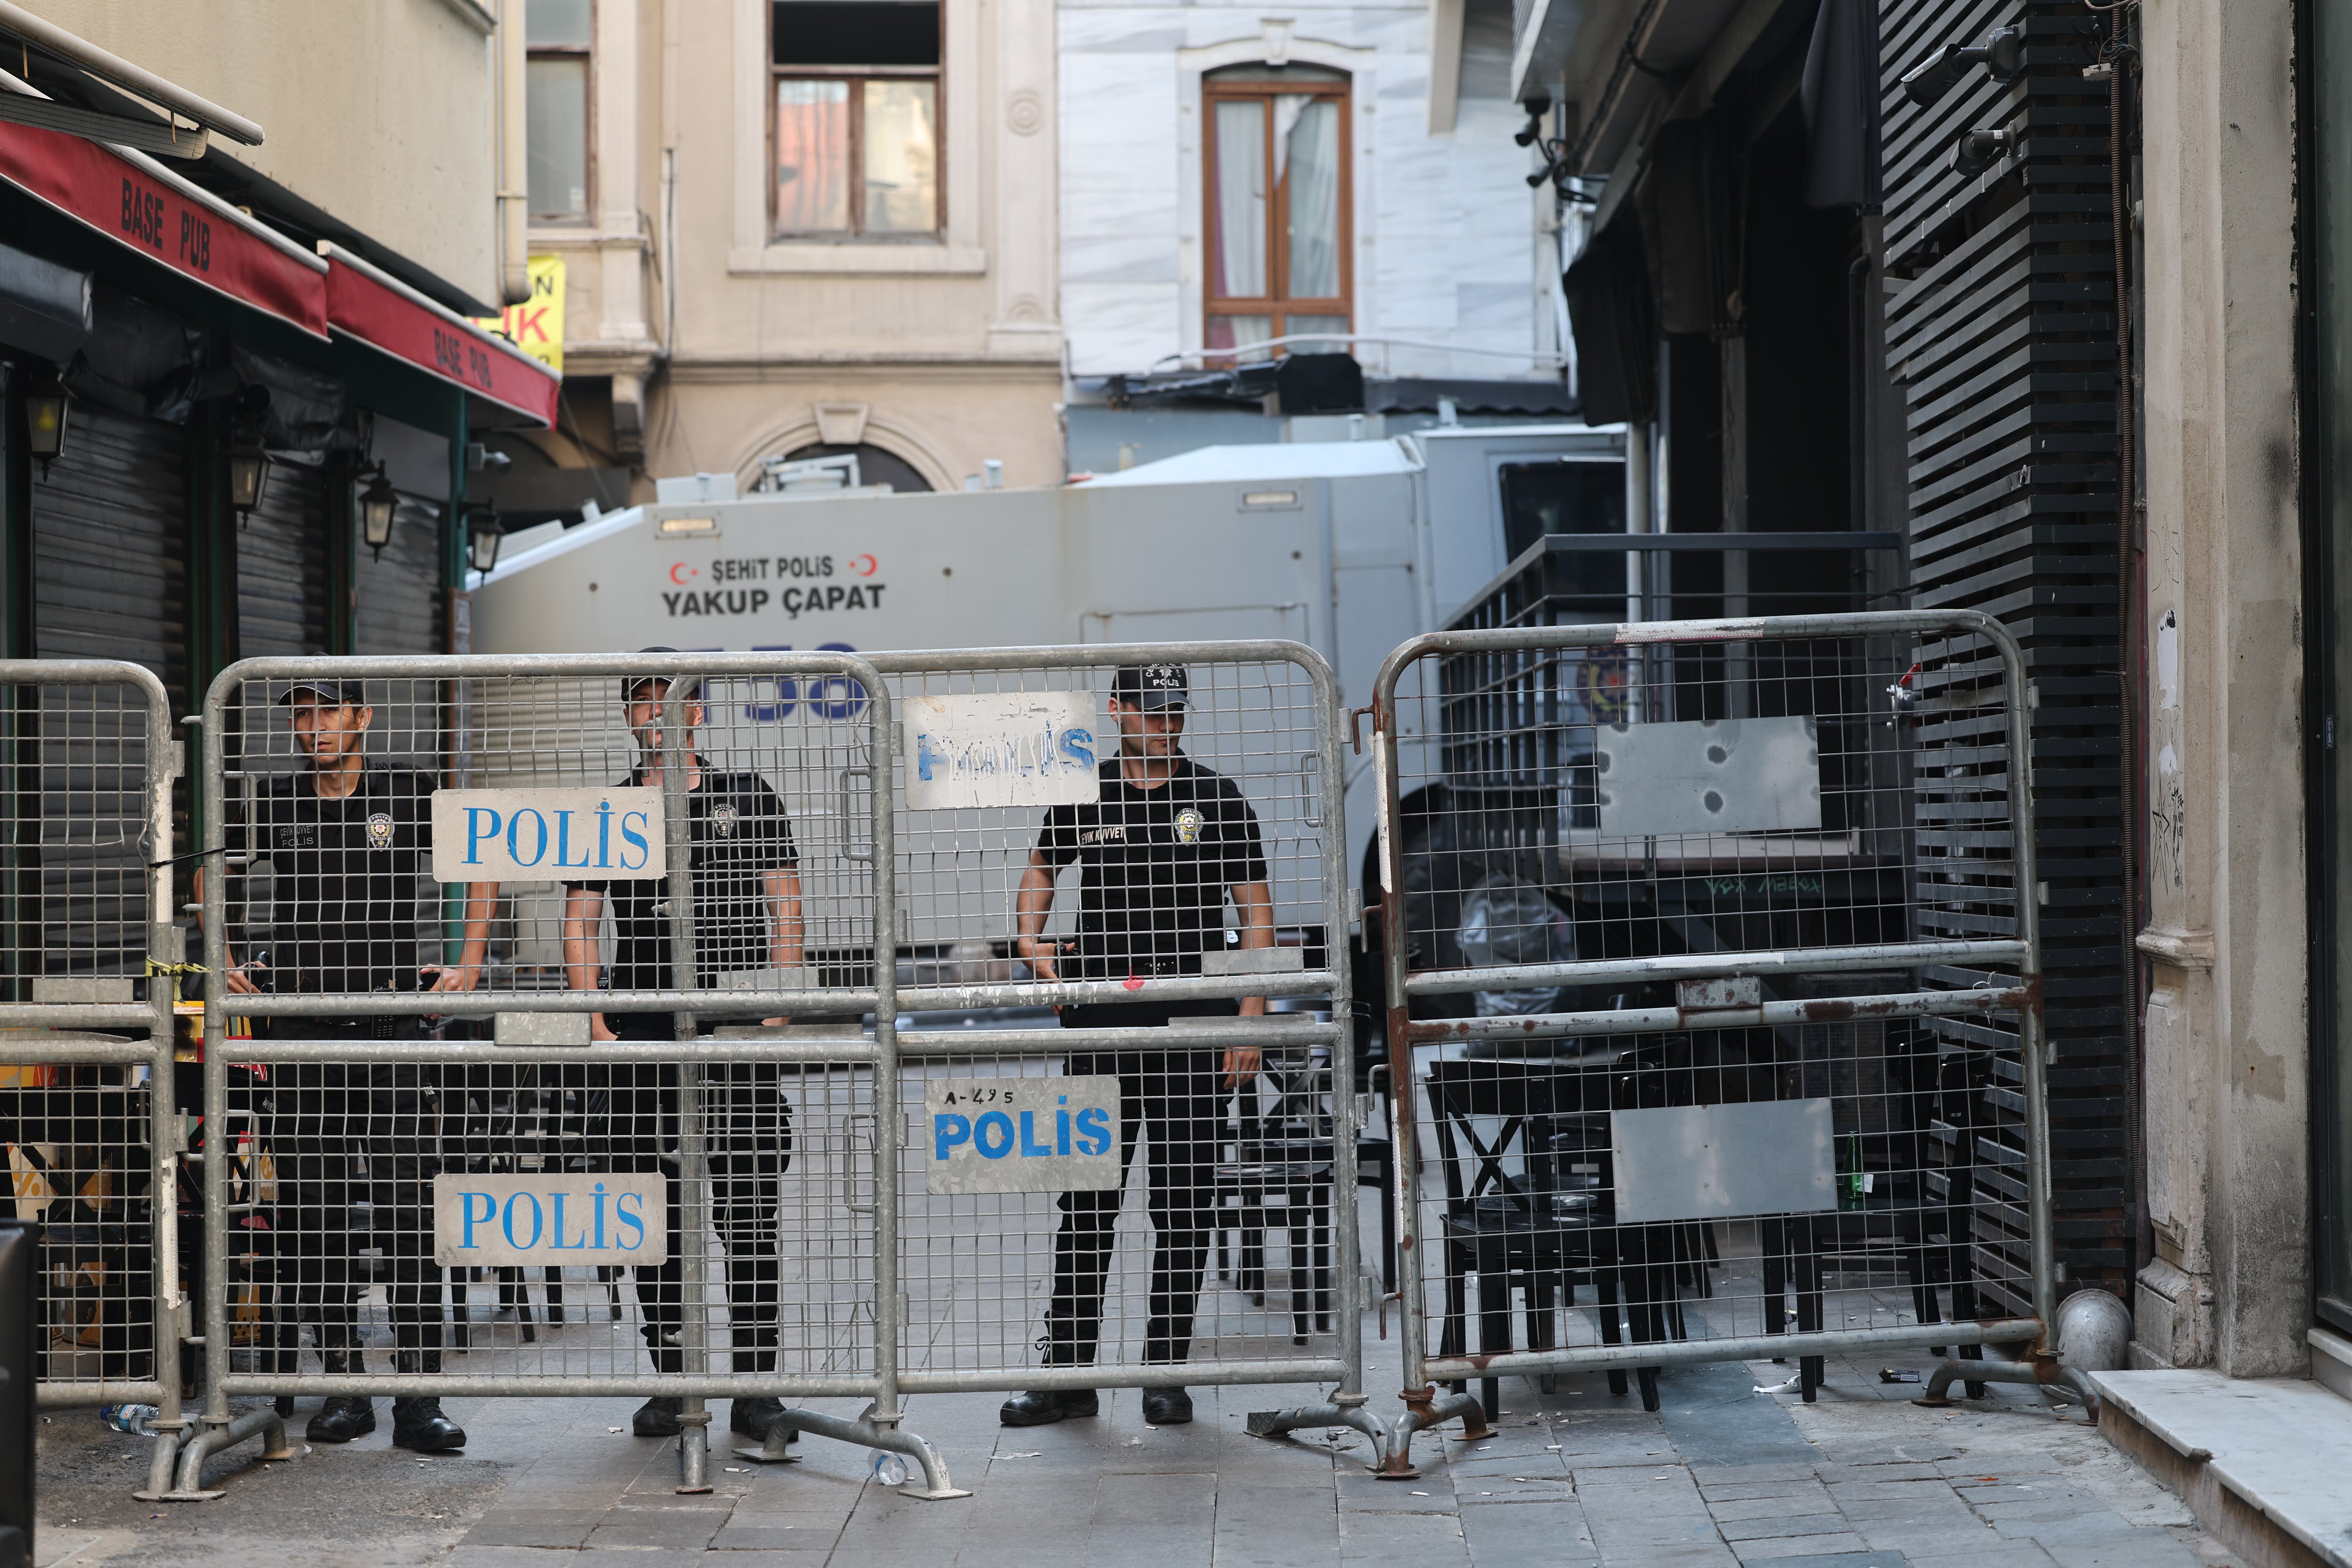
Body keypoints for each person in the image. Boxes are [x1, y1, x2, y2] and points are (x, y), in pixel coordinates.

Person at [205, 678, 496, 1452]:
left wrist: (467, 964)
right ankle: (345, 1390)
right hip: (301, 1030)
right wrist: (225, 955)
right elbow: (210, 873)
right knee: (313, 1214)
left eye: (328, 710)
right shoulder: (273, 798)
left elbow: (484, 859)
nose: (313, 726)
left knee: (406, 1208)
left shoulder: (407, 789)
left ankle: (418, 1399)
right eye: (301, 713)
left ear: (362, 716)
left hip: (393, 1026)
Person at [1002, 662, 1274, 1428]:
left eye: (1175, 711)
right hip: (1100, 1024)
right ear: (1117, 710)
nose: (1165, 722)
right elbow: (1042, 866)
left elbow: (1256, 914)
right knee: (1085, 1201)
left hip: (1193, 1021)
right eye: (1150, 710)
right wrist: (1031, 937)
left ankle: (1166, 1372)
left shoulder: (1217, 798)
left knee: (1184, 1204)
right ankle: (1067, 1376)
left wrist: (1250, 1015)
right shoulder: (1083, 790)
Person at [560, 655, 804, 1443]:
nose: (658, 714)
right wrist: (595, 1014)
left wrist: (781, 997)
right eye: (643, 702)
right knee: (651, 1217)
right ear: (629, 717)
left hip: (734, 1027)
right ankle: (673, 1380)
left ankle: (757, 1389)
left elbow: (786, 902)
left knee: (747, 1214)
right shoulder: (609, 809)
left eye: (673, 701)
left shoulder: (749, 796)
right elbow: (582, 915)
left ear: (697, 714)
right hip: (643, 1027)